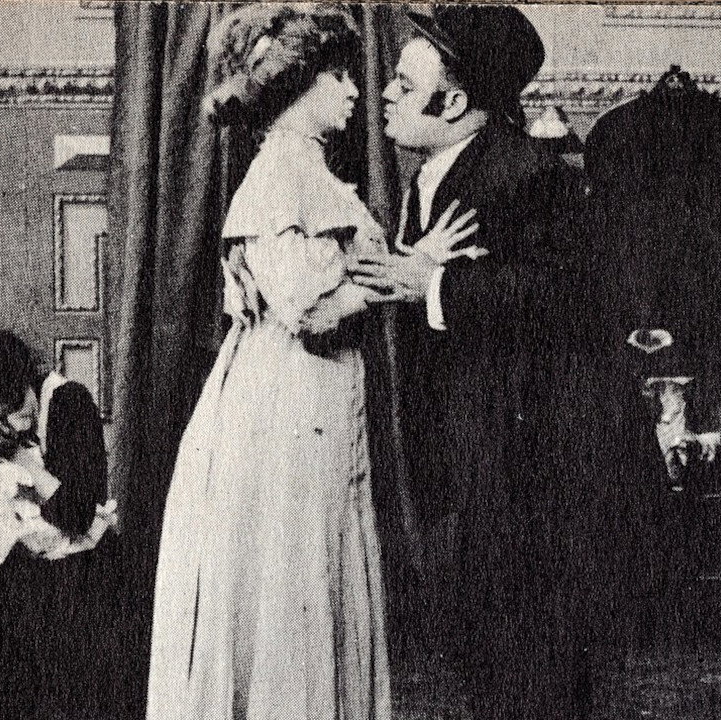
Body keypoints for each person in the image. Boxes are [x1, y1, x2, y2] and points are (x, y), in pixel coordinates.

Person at [145, 6, 475, 718]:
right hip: (286, 400)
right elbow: (309, 311)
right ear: (295, 84)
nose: (355, 90)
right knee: (292, 571)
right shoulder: (280, 174)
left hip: (314, 394)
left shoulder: (309, 171)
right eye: (336, 76)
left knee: (317, 563)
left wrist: (406, 269)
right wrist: (413, 266)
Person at [349, 6, 620, 720]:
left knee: (530, 659)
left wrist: (433, 284)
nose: (385, 95)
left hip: (527, 466)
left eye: (405, 86)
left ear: (454, 103)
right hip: (472, 456)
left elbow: (570, 297)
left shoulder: (529, 174)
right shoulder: (435, 174)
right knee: (487, 651)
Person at [0, 306, 121, 720]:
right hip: (17, 588)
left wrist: (23, 461)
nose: (20, 416)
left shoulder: (67, 402)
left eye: (19, 398)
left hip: (83, 583)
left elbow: (77, 516)